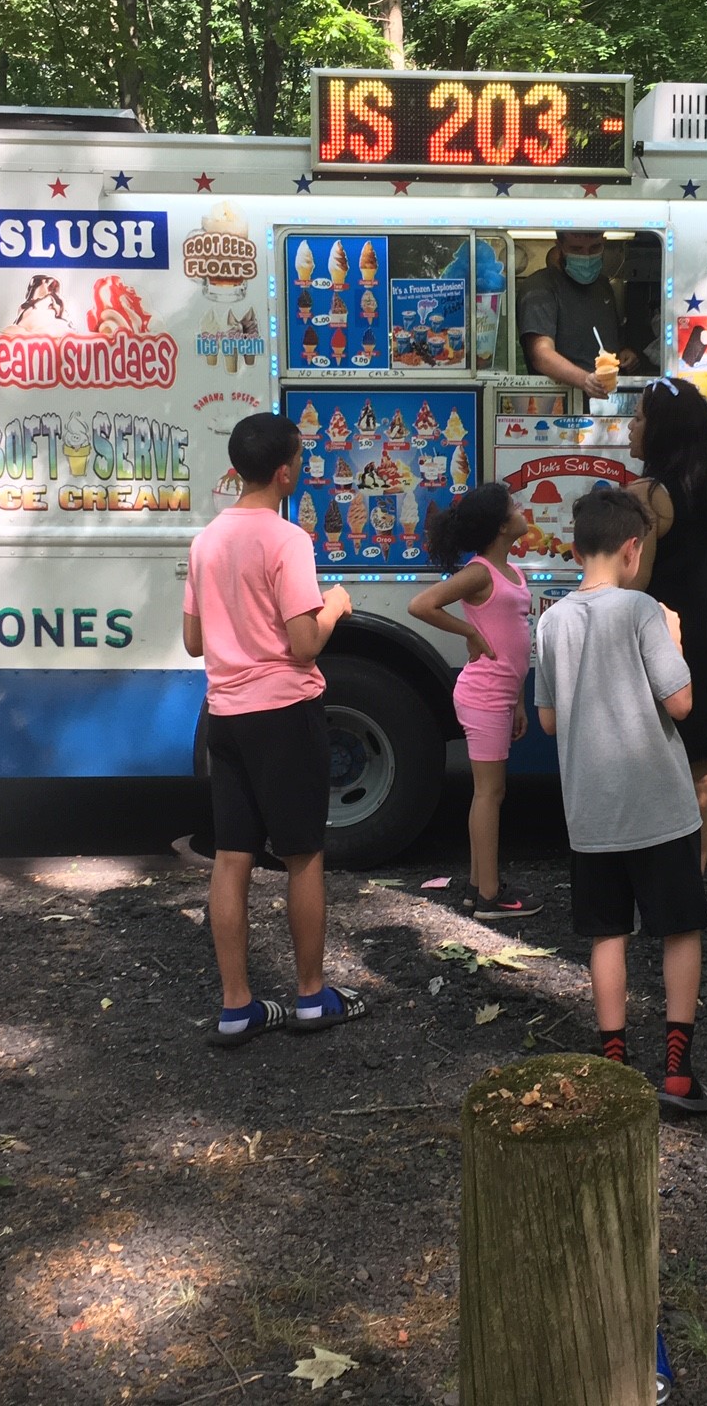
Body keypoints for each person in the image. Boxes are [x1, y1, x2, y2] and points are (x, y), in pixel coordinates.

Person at [182, 413, 367, 1045]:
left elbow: (191, 640)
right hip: (285, 714)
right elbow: (304, 644)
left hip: (226, 716)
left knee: (231, 858)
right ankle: (312, 997)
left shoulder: (206, 540)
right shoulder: (288, 540)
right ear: (285, 472)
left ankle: (237, 1006)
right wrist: (336, 604)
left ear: (236, 467)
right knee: (302, 856)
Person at [535, 488, 707, 1114]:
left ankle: (612, 1070)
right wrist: (675, 639)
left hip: (590, 810)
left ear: (579, 546)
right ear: (633, 548)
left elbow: (551, 722)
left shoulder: (551, 620)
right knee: (678, 929)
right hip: (658, 805)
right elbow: (681, 703)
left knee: (607, 933)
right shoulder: (642, 610)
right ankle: (677, 1074)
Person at [407, 483, 544, 921]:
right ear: (503, 526)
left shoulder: (511, 572)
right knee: (490, 792)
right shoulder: (481, 571)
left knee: (491, 792)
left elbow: (516, 647)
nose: (522, 511)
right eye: (514, 508)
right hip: (482, 694)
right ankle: (490, 896)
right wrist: (468, 632)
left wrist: (519, 700)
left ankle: (475, 884)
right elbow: (422, 604)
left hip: (502, 695)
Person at [627, 378, 707, 872]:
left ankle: (651, 875)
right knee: (701, 774)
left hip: (663, 644)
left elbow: (633, 586)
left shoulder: (644, 495)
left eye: (638, 418)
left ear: (662, 431)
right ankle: (691, 879)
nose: (630, 427)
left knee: (648, 768)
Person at [518, 230, 646, 399]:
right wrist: (585, 380)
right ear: (560, 246)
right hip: (561, 403)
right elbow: (541, 355)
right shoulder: (539, 287)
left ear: (604, 243)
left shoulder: (603, 286)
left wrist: (624, 355)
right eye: (577, 249)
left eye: (594, 248)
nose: (586, 256)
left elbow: (609, 341)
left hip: (608, 403)